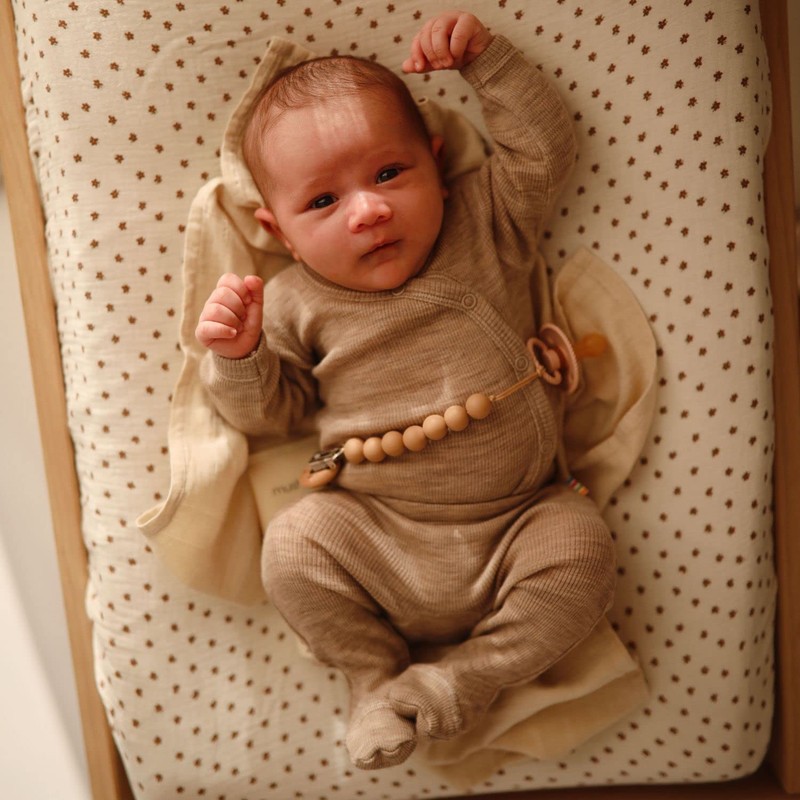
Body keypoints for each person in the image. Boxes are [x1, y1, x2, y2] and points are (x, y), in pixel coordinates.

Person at [195, 10, 616, 771]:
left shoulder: (485, 222)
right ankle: (372, 682)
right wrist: (239, 354)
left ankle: (459, 681)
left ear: (435, 162)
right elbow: (272, 416)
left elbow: (544, 150)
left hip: (518, 523)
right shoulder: (291, 301)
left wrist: (487, 62)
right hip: (378, 533)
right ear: (280, 232)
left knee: (583, 551)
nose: (369, 210)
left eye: (389, 173)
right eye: (322, 203)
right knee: (292, 546)